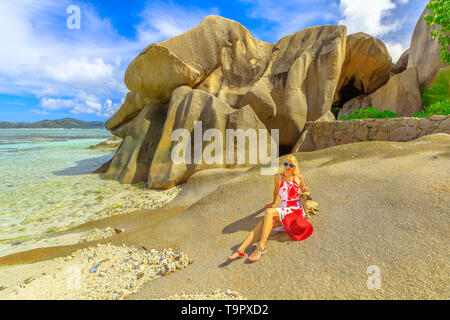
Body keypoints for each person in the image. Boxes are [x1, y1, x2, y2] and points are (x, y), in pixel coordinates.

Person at [227, 155, 313, 263]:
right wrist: (273, 202)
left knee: (269, 212)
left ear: (294, 167)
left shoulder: (298, 177)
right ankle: (240, 250)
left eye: (291, 165)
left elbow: (304, 189)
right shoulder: (278, 177)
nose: (288, 167)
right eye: (286, 164)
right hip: (284, 208)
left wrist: (305, 189)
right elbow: (275, 191)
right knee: (262, 223)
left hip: (295, 210)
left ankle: (261, 246)